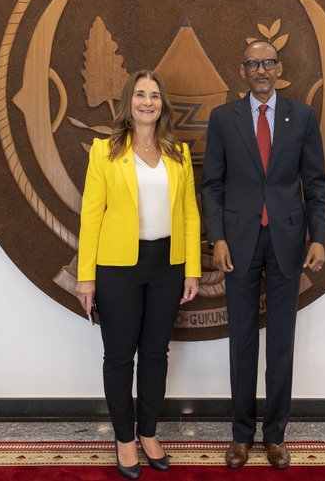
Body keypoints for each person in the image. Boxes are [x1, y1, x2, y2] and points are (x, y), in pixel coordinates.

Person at [201, 41, 325, 469]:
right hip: (237, 244)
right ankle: (241, 435)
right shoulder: (223, 118)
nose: (261, 69)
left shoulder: (303, 117)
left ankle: (275, 435)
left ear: (279, 67)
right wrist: (217, 238)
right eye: (253, 63)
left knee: (281, 341)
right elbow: (212, 184)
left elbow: (316, 183)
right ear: (242, 71)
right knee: (241, 339)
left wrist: (318, 237)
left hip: (288, 242)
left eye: (268, 62)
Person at [77, 70, 201, 479]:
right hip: (117, 269)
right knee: (119, 356)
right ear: (128, 102)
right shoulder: (105, 151)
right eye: (140, 94)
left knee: (155, 354)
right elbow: (91, 215)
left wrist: (192, 269)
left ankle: (148, 433)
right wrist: (86, 277)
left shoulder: (178, 152)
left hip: (167, 266)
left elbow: (189, 213)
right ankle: (124, 439)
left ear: (163, 104)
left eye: (155, 96)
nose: (148, 102)